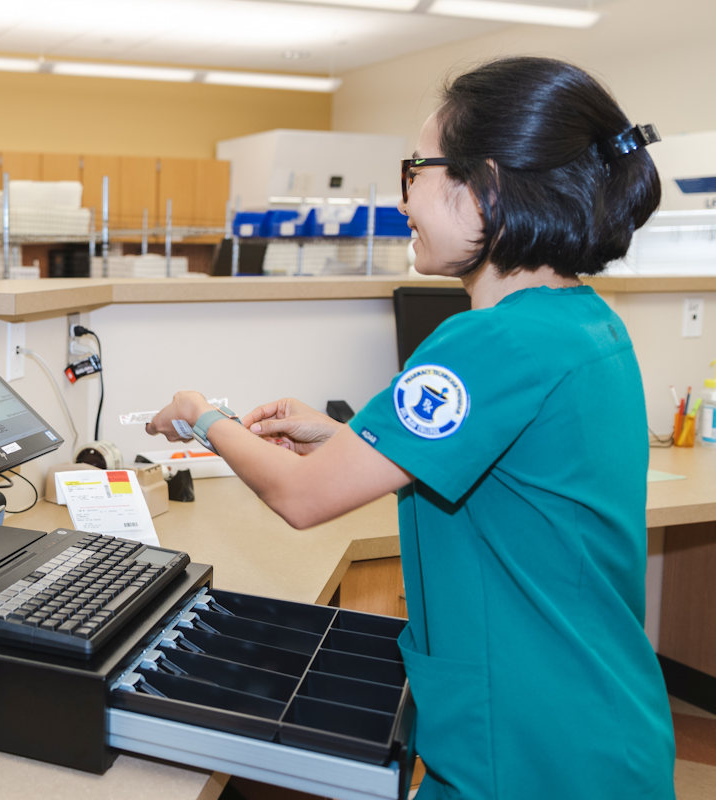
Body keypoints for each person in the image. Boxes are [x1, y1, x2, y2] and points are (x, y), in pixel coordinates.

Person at [148, 57, 674, 799]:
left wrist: (204, 414)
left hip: (528, 752)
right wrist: (343, 441)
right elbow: (508, 469)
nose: (403, 202)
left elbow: (300, 499)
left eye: (415, 172)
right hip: (593, 725)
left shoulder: (490, 343)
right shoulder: (583, 322)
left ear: (482, 185)